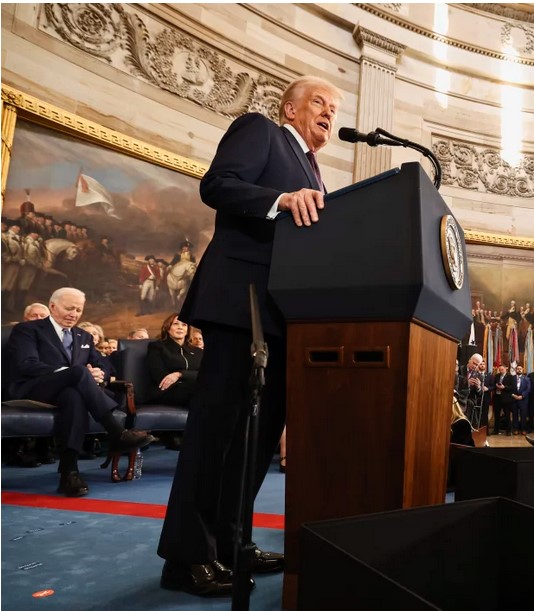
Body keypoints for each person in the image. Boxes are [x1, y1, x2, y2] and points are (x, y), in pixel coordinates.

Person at [157, 76, 341, 596]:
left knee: (256, 439)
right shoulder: (261, 130)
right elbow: (216, 185)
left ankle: (231, 540)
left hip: (286, 313)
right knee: (216, 431)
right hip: (242, 304)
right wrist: (280, 199)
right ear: (291, 107)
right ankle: (186, 557)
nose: (328, 112)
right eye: (318, 103)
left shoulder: (315, 169)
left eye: (334, 107)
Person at [6, 287, 155, 496]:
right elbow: (26, 364)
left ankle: (69, 472)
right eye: (69, 308)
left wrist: (99, 373)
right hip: (34, 388)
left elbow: (105, 365)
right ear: (52, 306)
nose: (74, 314)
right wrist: (72, 372)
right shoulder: (28, 330)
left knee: (74, 397)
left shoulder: (83, 335)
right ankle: (115, 431)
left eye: (78, 310)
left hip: (69, 392)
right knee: (77, 373)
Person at [145, 314, 203, 406]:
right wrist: (191, 377)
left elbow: (206, 374)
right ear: (167, 328)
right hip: (165, 392)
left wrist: (179, 374)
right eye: (175, 324)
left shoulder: (198, 351)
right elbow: (160, 376)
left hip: (193, 390)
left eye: (184, 325)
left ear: (188, 330)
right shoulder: (157, 347)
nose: (180, 327)